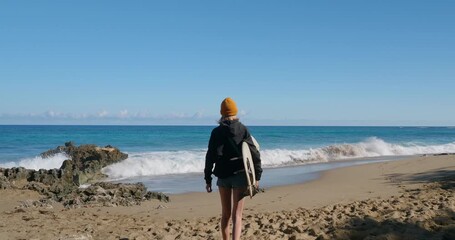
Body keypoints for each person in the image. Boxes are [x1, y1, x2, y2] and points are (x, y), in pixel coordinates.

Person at [204, 97, 262, 240]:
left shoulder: (216, 132)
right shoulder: (242, 129)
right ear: (235, 112)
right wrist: (257, 176)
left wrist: (208, 178)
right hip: (240, 176)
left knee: (225, 214)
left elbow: (210, 156)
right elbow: (254, 154)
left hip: (223, 176)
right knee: (237, 215)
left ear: (221, 113)